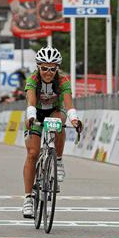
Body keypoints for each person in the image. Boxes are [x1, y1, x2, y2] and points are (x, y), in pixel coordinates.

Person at [22, 46, 84, 218]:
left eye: (52, 68)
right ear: (38, 67)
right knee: (32, 153)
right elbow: (31, 102)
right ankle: (27, 198)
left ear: (57, 69)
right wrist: (31, 117)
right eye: (44, 68)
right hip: (37, 113)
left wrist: (75, 120)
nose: (48, 72)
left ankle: (58, 160)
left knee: (58, 123)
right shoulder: (32, 79)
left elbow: (69, 104)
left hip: (54, 111)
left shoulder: (63, 81)